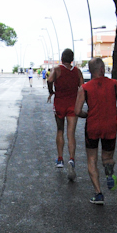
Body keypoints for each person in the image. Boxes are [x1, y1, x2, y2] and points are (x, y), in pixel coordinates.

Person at [74, 57, 117, 205]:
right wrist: (116, 113)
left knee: (92, 159)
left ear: (91, 71)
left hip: (93, 126)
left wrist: (87, 115)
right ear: (102, 69)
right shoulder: (114, 84)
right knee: (107, 157)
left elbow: (77, 111)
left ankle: (98, 193)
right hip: (110, 125)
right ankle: (109, 171)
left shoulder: (84, 88)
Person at [47, 48, 83, 180]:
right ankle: (72, 159)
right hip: (73, 104)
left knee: (60, 130)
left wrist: (51, 91)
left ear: (62, 58)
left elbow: (50, 80)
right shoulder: (77, 71)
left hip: (60, 104)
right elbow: (82, 87)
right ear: (72, 59)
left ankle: (60, 158)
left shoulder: (57, 69)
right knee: (71, 133)